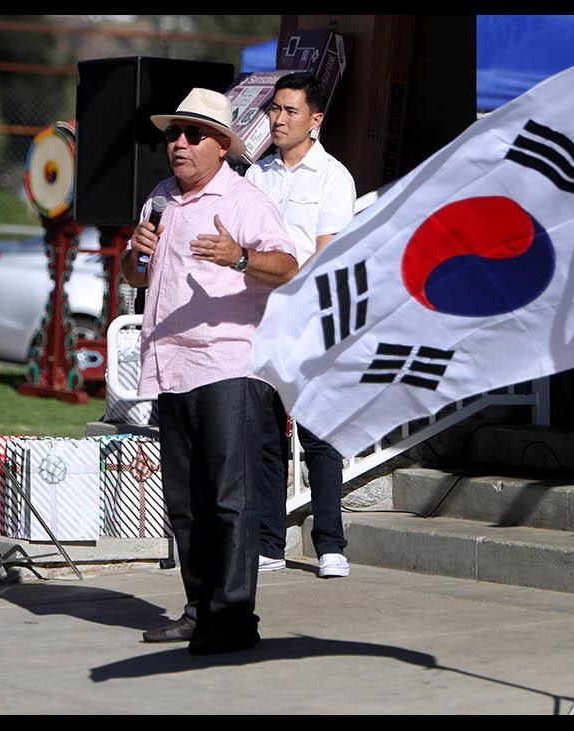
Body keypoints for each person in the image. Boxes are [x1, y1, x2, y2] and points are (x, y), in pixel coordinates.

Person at [123, 87, 299, 655]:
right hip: (170, 364)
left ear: (221, 146)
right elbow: (136, 276)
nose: (178, 143)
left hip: (226, 364)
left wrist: (239, 258)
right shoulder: (160, 199)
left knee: (229, 500)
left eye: (193, 134)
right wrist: (135, 252)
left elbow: (288, 267)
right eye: (173, 133)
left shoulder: (245, 201)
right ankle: (198, 609)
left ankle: (234, 618)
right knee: (187, 502)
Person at [243, 72, 358, 579]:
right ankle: (269, 541)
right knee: (265, 435)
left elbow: (326, 255)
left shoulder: (333, 176)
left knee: (318, 435)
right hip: (259, 320)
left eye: (291, 111)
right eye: (275, 109)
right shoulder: (255, 176)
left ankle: (330, 543)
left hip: (308, 322)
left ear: (316, 119)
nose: (279, 119)